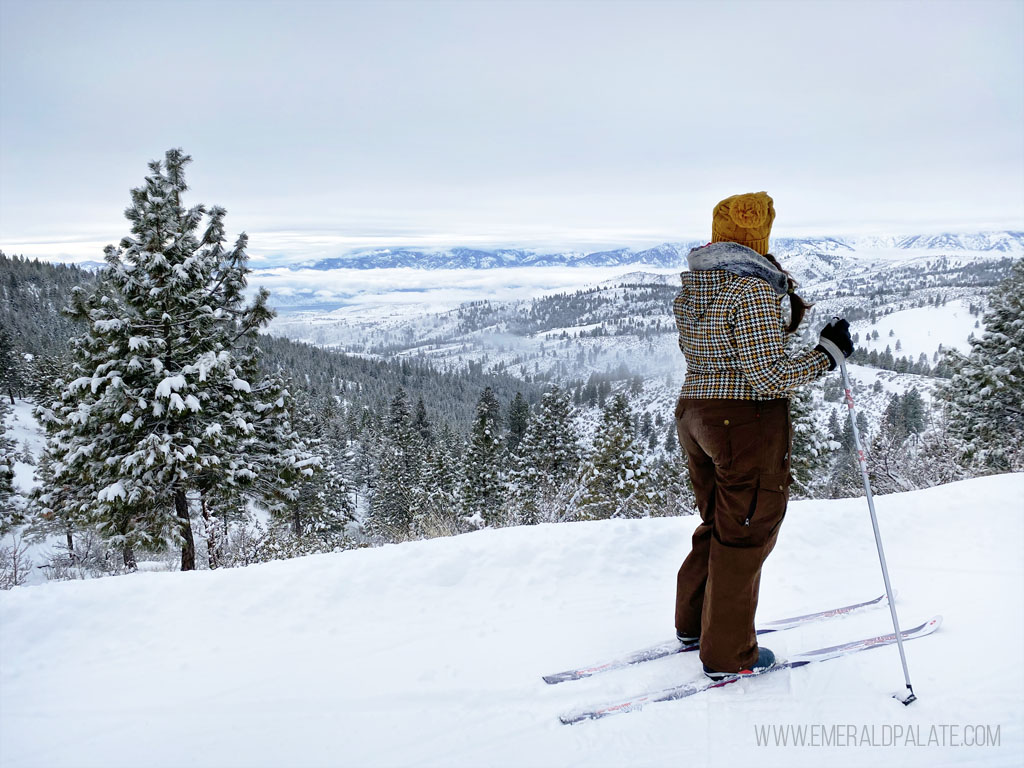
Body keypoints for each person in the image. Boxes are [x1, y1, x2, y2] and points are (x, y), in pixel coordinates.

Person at [672, 191, 853, 680]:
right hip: (742, 423)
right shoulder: (750, 289)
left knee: (717, 523)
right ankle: (728, 654)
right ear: (759, 233)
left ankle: (694, 626)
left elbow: (734, 348)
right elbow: (767, 377)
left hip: (696, 414)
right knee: (745, 536)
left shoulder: (697, 283)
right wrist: (829, 354)